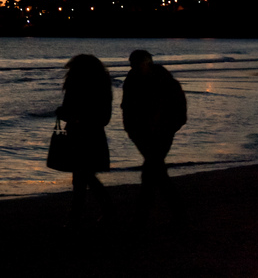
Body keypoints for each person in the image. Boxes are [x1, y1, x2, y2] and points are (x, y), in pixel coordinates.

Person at [121, 49, 186, 224]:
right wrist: (130, 129)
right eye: (132, 64)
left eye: (137, 63)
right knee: (155, 169)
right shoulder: (131, 80)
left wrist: (170, 126)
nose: (134, 67)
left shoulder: (164, 80)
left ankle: (146, 213)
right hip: (141, 133)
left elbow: (179, 106)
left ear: (147, 63)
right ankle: (173, 211)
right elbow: (126, 106)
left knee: (152, 169)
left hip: (163, 132)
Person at [56, 54, 113, 226]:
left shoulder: (75, 86)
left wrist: (74, 118)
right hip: (93, 135)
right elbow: (104, 117)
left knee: (83, 176)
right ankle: (82, 214)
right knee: (83, 176)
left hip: (80, 135)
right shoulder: (103, 86)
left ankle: (81, 215)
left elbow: (67, 110)